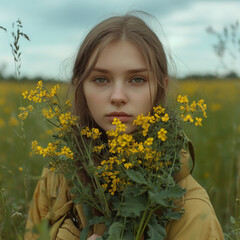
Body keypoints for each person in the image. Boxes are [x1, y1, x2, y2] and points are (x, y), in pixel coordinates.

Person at [25, 13, 224, 240]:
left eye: (137, 79)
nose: (118, 97)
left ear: (161, 88)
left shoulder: (191, 211)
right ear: (80, 87)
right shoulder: (56, 177)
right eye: (101, 79)